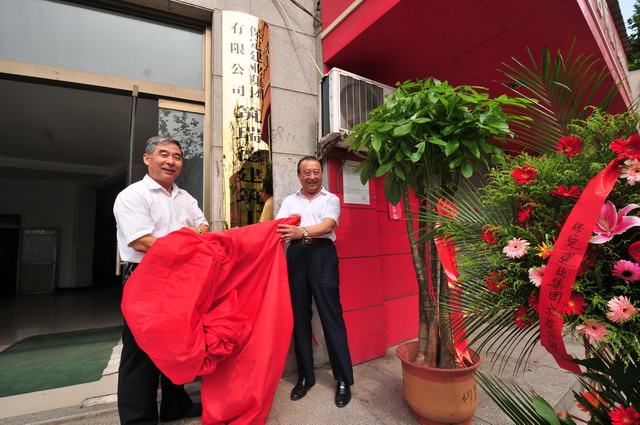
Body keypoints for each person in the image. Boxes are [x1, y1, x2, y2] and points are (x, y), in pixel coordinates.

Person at [113, 135, 209, 425]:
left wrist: (189, 236)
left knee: (176, 344)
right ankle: (138, 419)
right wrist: (187, 239)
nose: (171, 161)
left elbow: (203, 226)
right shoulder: (132, 195)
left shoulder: (184, 197)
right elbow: (141, 241)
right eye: (163, 154)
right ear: (147, 158)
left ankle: (175, 406)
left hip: (181, 278)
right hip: (146, 278)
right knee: (140, 351)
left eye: (177, 156)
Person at [275, 156, 354, 408]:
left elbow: (329, 225)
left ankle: (343, 380)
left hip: (322, 254)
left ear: (321, 174)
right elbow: (279, 227)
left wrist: (302, 231)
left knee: (332, 316)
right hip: (296, 256)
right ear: (299, 176)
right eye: (307, 172)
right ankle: (305, 378)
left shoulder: (331, 199)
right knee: (299, 319)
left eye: (316, 172)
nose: (312, 177)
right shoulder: (289, 201)